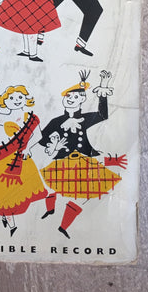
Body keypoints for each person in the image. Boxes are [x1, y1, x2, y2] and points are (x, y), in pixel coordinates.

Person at [36, 70, 127, 238]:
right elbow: (41, 141)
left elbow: (102, 115)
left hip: (83, 163)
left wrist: (103, 89)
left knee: (83, 196)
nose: (71, 99)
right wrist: (53, 144)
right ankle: (50, 210)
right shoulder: (56, 121)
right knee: (49, 188)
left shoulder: (85, 119)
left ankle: (63, 226)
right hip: (61, 162)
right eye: (68, 96)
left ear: (82, 99)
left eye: (76, 96)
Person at [0, 76, 47, 235]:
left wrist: (28, 148)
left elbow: (39, 136)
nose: (16, 100)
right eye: (11, 98)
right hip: (6, 160)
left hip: (24, 161)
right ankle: (10, 221)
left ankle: (9, 219)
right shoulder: (5, 118)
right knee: (0, 192)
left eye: (20, 97)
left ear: (26, 99)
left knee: (18, 193)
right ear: (5, 101)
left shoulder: (31, 118)